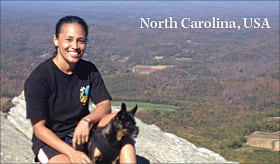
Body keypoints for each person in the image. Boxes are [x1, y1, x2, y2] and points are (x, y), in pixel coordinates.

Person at [24, 15, 136, 164]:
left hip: (83, 133)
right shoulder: (39, 79)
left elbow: (105, 105)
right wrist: (72, 153)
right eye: (69, 40)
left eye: (81, 41)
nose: (75, 46)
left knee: (122, 128)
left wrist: (87, 121)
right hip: (52, 141)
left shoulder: (88, 70)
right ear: (56, 40)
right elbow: (39, 129)